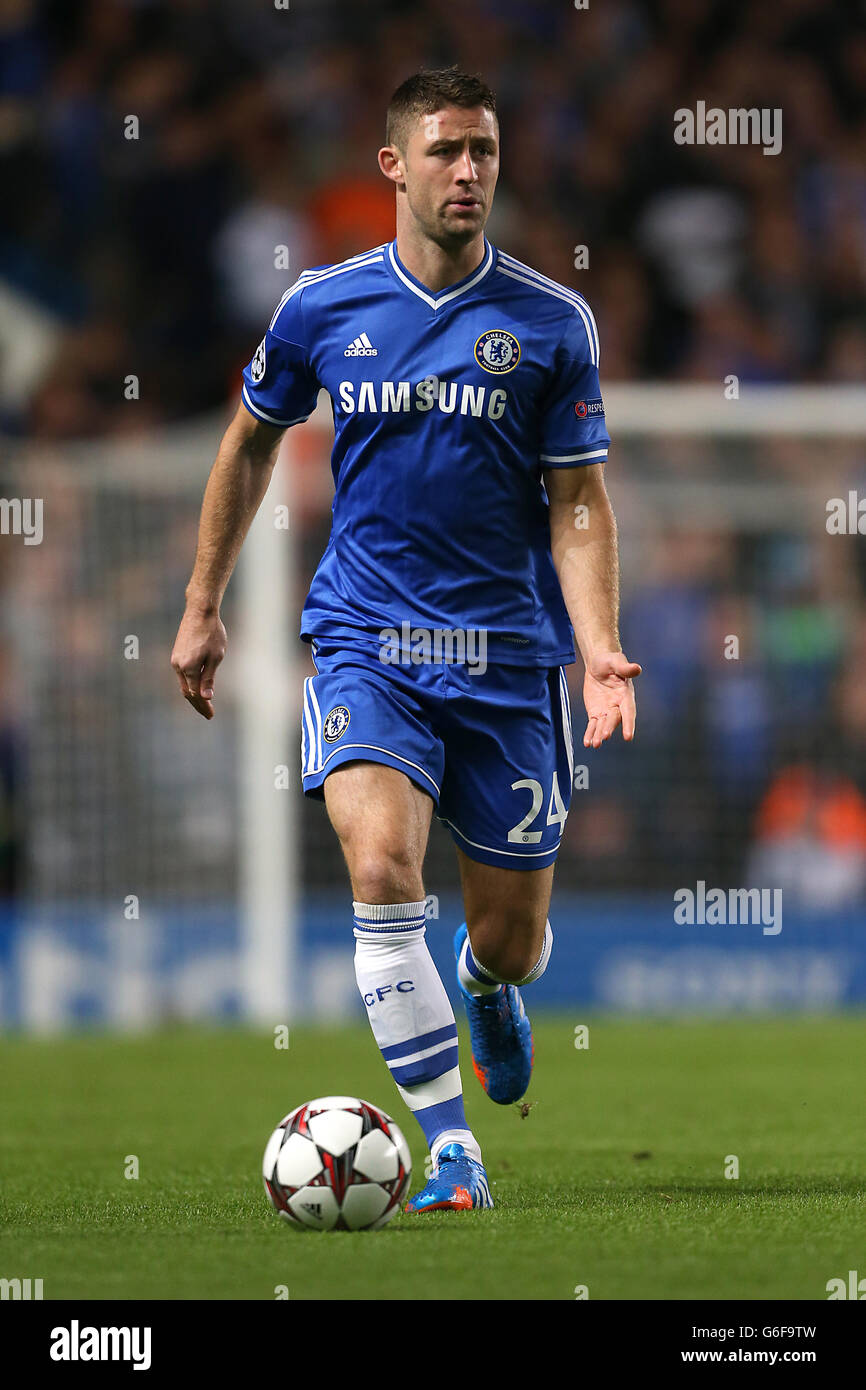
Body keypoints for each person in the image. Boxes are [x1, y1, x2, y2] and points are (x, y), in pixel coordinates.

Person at [171, 67, 640, 1214]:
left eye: (483, 150)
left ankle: (484, 983)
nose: (468, 171)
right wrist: (201, 601)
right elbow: (245, 445)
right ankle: (452, 1150)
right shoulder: (321, 308)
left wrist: (600, 644)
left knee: (513, 937)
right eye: (444, 152)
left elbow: (576, 499)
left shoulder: (547, 321)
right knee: (381, 870)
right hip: (365, 642)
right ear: (392, 166)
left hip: (506, 660)